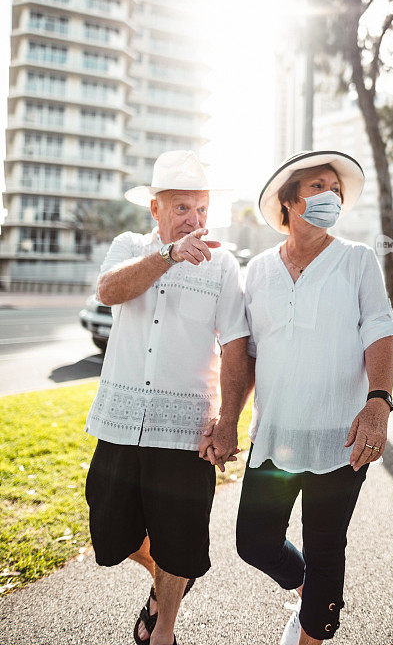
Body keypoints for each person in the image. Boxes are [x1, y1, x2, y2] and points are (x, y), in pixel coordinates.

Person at [232, 150, 393, 645]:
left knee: (327, 548)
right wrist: (229, 419)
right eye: (317, 187)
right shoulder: (258, 270)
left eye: (335, 190)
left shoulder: (357, 260)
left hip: (338, 435)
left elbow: (380, 332)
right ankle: (311, 595)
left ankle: (312, 631)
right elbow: (250, 353)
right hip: (275, 436)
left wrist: (378, 403)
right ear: (288, 201)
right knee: (253, 541)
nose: (329, 197)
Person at [84, 150, 250, 645]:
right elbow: (109, 291)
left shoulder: (222, 265)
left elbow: (237, 345)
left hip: (185, 430)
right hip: (119, 421)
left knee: (180, 544)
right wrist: (168, 256)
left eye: (201, 209)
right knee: (111, 532)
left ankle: (164, 628)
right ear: (155, 209)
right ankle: (166, 581)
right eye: (182, 208)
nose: (195, 220)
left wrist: (228, 421)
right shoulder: (129, 245)